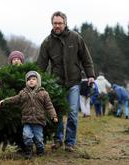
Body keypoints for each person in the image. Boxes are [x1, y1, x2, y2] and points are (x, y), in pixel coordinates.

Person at [37, 11, 95, 152]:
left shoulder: (76, 38)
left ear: (65, 23)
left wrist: (91, 75)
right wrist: (36, 81)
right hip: (56, 83)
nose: (57, 26)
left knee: (73, 113)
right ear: (52, 24)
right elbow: (41, 65)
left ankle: (70, 142)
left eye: (60, 23)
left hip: (74, 82)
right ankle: (57, 140)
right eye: (55, 23)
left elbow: (86, 58)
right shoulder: (47, 42)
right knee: (56, 113)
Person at [0, 71, 58, 159]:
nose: (31, 81)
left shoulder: (44, 93)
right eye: (29, 79)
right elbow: (15, 99)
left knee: (38, 139)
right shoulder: (23, 93)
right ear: (26, 82)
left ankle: (40, 150)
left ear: (38, 81)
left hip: (38, 121)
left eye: (33, 79)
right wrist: (5, 101)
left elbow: (49, 106)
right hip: (27, 121)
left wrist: (54, 116)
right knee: (27, 136)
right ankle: (28, 151)